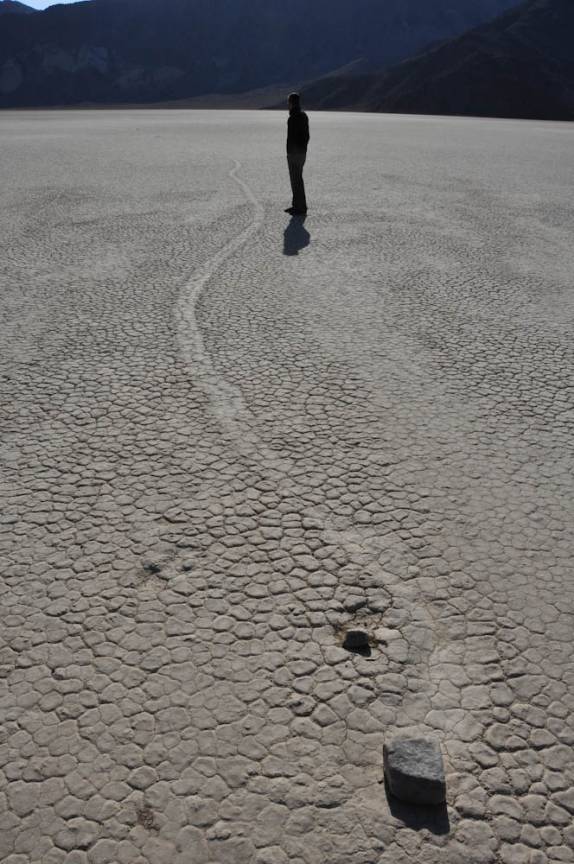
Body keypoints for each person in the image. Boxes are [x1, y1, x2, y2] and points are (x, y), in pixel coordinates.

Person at [285, 93, 309, 216]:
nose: (287, 105)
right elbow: (306, 137)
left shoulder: (293, 118)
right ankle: (297, 205)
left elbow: (293, 138)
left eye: (288, 102)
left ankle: (300, 207)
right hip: (301, 153)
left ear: (292, 103)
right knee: (297, 179)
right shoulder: (303, 116)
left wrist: (293, 151)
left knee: (296, 180)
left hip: (295, 154)